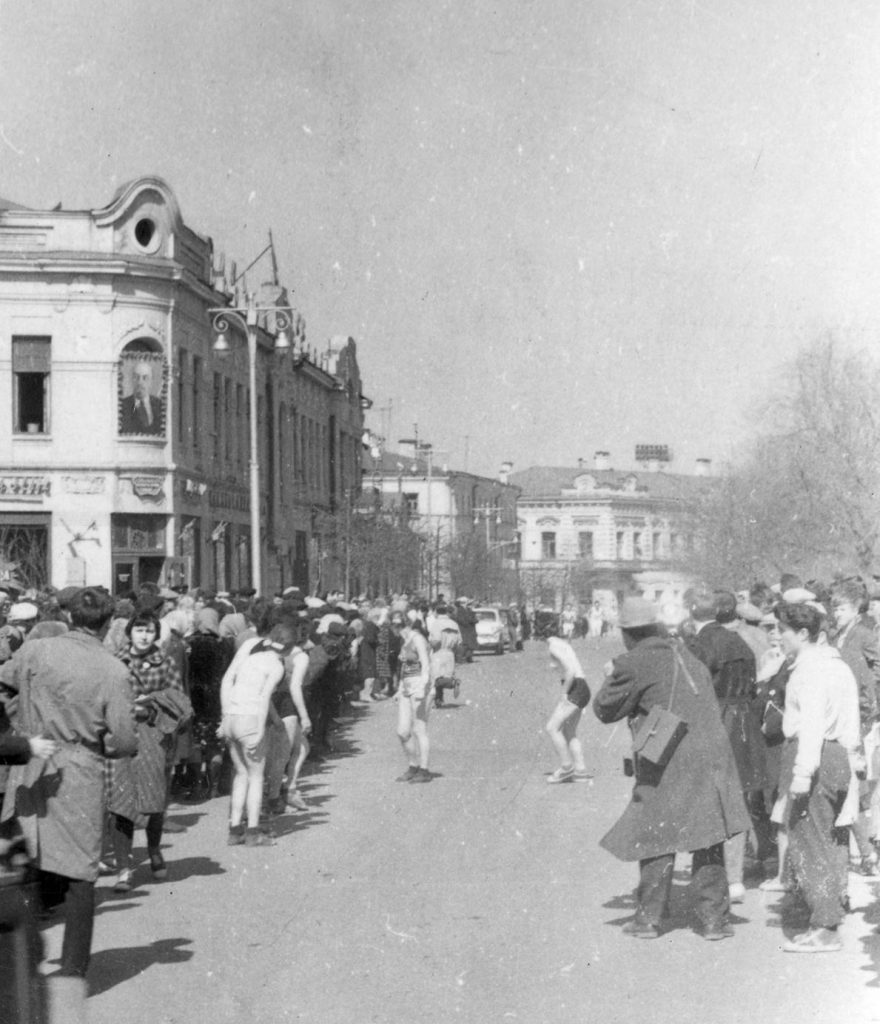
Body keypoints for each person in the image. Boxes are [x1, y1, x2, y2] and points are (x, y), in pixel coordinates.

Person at [0, 587, 138, 1013]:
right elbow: (122, 741)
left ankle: (20, 969)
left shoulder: (36, 650)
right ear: (108, 622)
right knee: (80, 877)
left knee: (22, 863)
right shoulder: (113, 669)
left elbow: (4, 680)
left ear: (70, 614)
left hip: (29, 766)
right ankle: (72, 979)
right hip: (77, 772)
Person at [593, 596, 750, 941]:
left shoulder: (634, 662)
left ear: (629, 633)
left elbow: (604, 710)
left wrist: (610, 675)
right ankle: (713, 921)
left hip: (669, 757)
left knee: (654, 832)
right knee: (707, 835)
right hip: (711, 755)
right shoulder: (686, 652)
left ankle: (649, 919)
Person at [775, 601, 862, 953]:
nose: (779, 637)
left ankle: (825, 927)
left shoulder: (809, 670)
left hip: (815, 755)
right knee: (832, 839)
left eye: (783, 630)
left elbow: (811, 724)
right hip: (838, 754)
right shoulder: (838, 666)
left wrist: (801, 773)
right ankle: (828, 911)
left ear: (803, 633)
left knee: (810, 842)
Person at [685, 587, 765, 902]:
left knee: (713, 802)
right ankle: (735, 880)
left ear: (691, 611)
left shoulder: (698, 645)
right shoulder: (740, 643)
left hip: (715, 721)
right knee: (740, 800)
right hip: (743, 722)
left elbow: (692, 692)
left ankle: (714, 878)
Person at [107, 610, 190, 892]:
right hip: (121, 733)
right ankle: (123, 867)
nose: (144, 636)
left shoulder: (165, 662)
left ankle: (154, 849)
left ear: (157, 634)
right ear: (129, 632)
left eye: (150, 631)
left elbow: (180, 701)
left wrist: (153, 701)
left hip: (155, 734)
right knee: (121, 802)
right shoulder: (115, 661)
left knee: (154, 797)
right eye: (139, 630)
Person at [219, 621, 298, 846]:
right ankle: (253, 832)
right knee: (256, 775)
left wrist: (224, 718)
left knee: (241, 773)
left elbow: (232, 683)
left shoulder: (250, 658)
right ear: (289, 648)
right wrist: (259, 731)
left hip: (232, 715)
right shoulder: (277, 667)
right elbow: (264, 698)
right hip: (250, 719)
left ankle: (235, 829)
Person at [544, 636, 591, 783]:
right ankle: (580, 770)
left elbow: (569, 670)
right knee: (569, 731)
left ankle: (566, 767)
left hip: (574, 688)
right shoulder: (563, 644)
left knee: (552, 728)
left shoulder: (553, 646)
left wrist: (564, 693)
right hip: (582, 688)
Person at [395, 610, 433, 783]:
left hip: (420, 685)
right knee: (402, 731)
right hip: (407, 686)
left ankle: (423, 770)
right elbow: (404, 667)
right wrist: (400, 687)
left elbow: (425, 664)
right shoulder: (405, 641)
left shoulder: (417, 639)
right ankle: (413, 765)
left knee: (419, 729)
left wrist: (423, 687)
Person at [119, 359, 163, 434]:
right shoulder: (122, 406)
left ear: (151, 381)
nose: (140, 382)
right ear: (132, 380)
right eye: (136, 377)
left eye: (145, 378)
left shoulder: (161, 405)